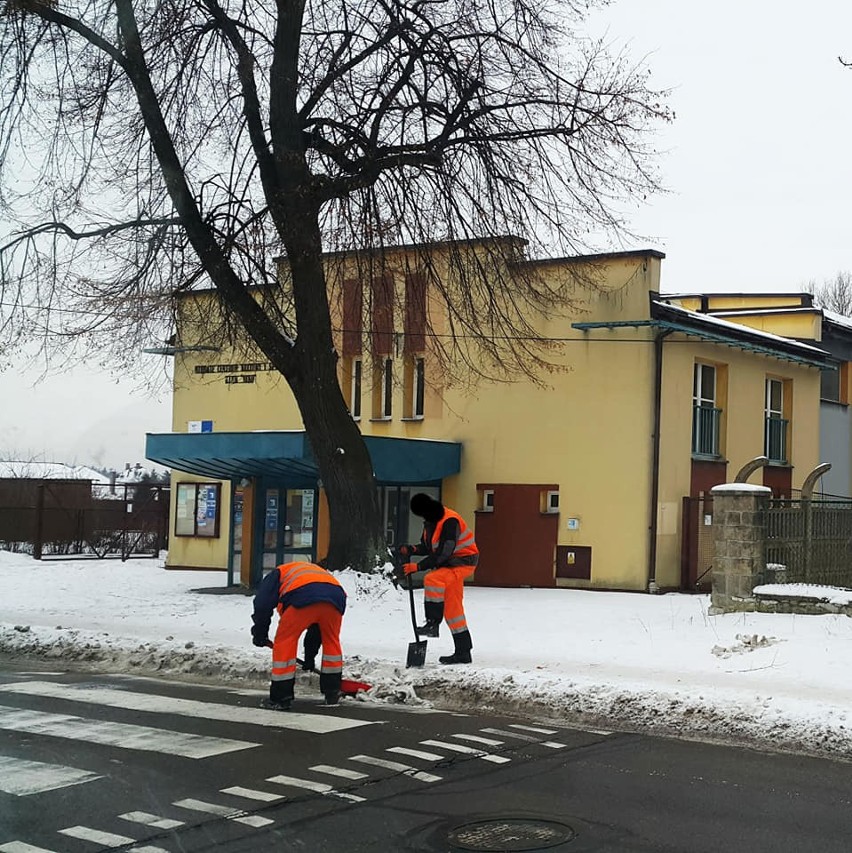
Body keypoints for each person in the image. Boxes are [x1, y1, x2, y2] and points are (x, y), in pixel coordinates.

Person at [251, 560, 346, 710]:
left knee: (285, 641)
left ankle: (281, 698)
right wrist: (309, 657)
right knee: (331, 641)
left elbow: (262, 605)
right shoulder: (307, 571)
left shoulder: (276, 575)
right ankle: (332, 691)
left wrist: (260, 632)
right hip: (335, 597)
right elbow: (316, 628)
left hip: (302, 595)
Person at [398, 492, 478, 665]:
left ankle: (432, 623)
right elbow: (430, 548)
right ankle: (463, 652)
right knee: (453, 610)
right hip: (449, 565)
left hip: (462, 562)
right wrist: (411, 549)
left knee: (432, 580)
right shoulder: (430, 522)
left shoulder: (450, 521)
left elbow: (444, 552)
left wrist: (418, 567)